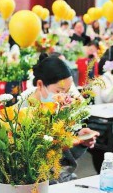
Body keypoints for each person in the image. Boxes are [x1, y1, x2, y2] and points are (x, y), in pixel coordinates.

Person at [25, 54, 98, 183]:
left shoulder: (60, 109)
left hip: (61, 179)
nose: (65, 97)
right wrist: (60, 144)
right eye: (59, 91)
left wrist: (80, 139)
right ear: (40, 85)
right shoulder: (22, 112)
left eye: (68, 91)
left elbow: (66, 160)